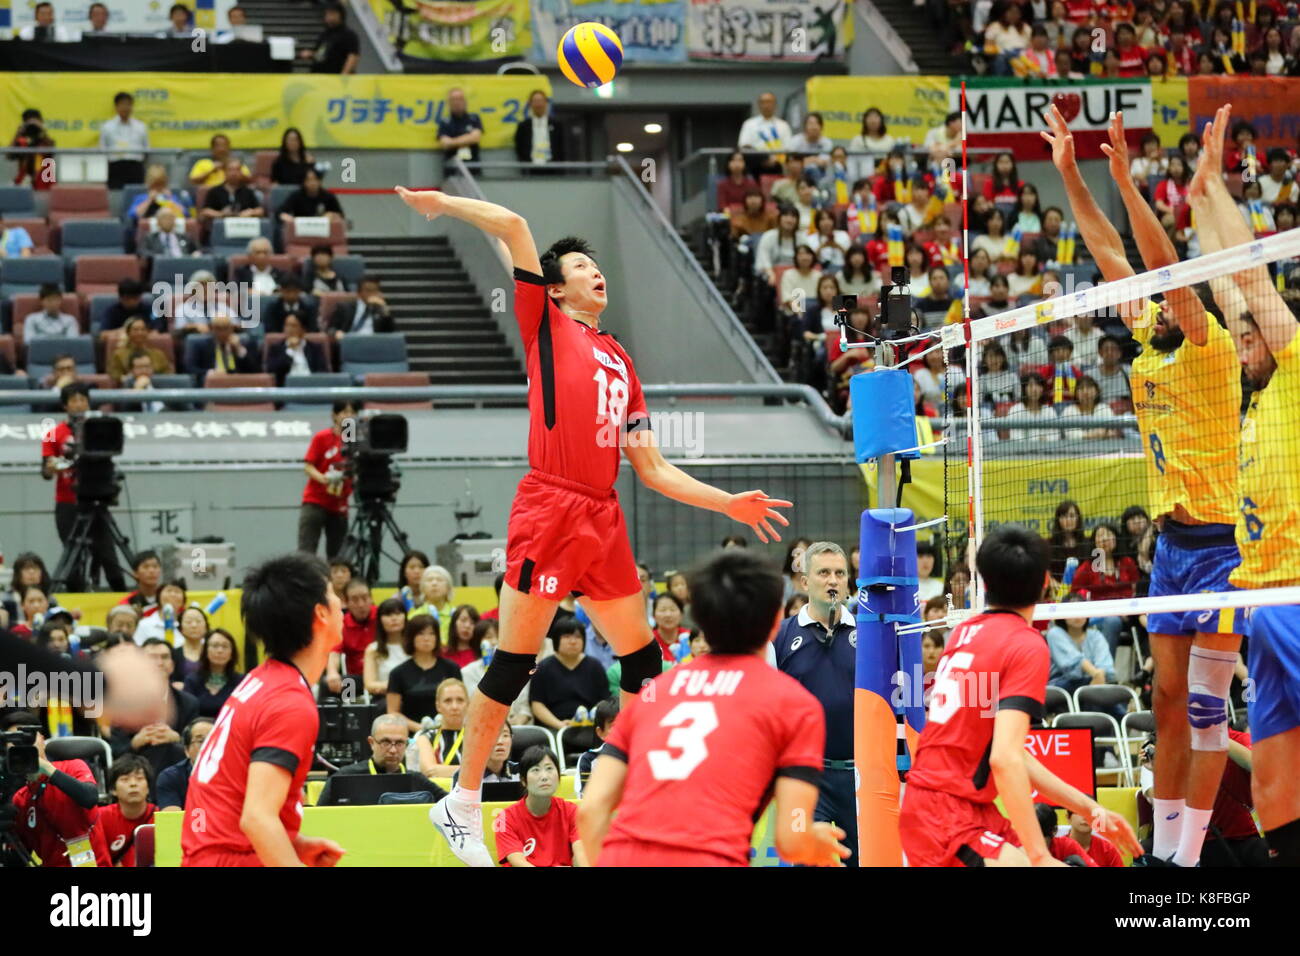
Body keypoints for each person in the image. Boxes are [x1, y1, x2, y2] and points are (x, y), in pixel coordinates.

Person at [395, 184, 792, 867]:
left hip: (602, 514)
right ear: (554, 289)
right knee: (515, 662)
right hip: (550, 506)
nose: (592, 269)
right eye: (579, 265)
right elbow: (515, 223)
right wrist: (444, 203)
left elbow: (655, 468)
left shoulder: (622, 361)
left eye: (593, 263)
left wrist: (727, 501)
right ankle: (460, 802)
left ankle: (617, 775)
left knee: (643, 663)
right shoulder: (544, 325)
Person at [1044, 105, 1247, 867]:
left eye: (1164, 296)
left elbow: (1165, 271)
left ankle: (1186, 862)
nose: (1150, 303)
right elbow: (1107, 253)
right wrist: (1070, 173)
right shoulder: (1150, 347)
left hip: (1228, 548)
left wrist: (1128, 181)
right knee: (1162, 701)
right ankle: (1159, 854)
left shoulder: (1206, 343)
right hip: (1171, 550)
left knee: (1203, 711)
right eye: (1149, 301)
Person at [578, 548, 847, 866]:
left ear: (698, 617)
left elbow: (589, 811)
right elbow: (791, 840)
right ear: (776, 620)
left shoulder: (653, 694)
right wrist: (811, 843)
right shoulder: (793, 704)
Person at [1191, 104, 1300, 867]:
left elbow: (1251, 279)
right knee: (1275, 794)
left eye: (1251, 330)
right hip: (1260, 603)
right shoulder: (1252, 383)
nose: (1242, 340)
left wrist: (1224, 189)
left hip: (1297, 593)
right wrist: (1198, 198)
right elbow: (1223, 285)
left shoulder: (1293, 370)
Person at [899, 525, 1141, 867]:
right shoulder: (1025, 644)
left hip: (957, 809)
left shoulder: (965, 632)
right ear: (1046, 582)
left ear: (984, 582)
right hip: (947, 815)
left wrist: (1091, 807)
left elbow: (1010, 754)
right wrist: (1040, 856)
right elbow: (1004, 758)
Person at [181, 553, 346, 867]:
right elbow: (256, 819)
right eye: (334, 594)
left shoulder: (260, 680)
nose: (342, 604)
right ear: (321, 613)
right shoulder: (289, 704)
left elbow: (231, 800)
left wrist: (292, 844)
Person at [773, 541, 860, 866]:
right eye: (823, 573)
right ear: (805, 582)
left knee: (864, 860)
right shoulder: (780, 637)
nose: (833, 580)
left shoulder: (868, 634)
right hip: (806, 776)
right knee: (805, 860)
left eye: (840, 573)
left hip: (860, 774)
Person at [40, 383, 128, 591]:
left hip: (97, 497)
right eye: (73, 400)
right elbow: (45, 470)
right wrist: (55, 465)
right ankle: (75, 599)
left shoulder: (99, 427)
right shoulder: (53, 432)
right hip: (67, 502)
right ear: (65, 405)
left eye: (83, 400)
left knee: (108, 553)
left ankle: (124, 597)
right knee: (73, 556)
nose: (79, 405)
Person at [2, 709, 111, 867]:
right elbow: (16, 860)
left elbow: (89, 798)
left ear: (42, 739)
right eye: (15, 740)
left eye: (27, 738)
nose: (23, 745)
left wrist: (45, 768)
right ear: (6, 748)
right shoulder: (19, 798)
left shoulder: (72, 767)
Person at [109, 637, 198, 784]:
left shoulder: (189, 703)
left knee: (170, 748)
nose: (159, 663)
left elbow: (198, 748)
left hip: (178, 770)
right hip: (135, 772)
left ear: (173, 665)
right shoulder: (123, 702)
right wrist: (135, 742)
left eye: (164, 657)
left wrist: (177, 738)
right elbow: (115, 751)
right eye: (152, 658)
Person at [317, 714, 445, 805]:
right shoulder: (344, 778)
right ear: (371, 743)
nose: (393, 750)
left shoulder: (416, 780)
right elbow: (321, 817)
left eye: (399, 743)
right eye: (385, 742)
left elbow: (450, 807)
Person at [497, 747, 586, 867]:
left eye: (549, 769)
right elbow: (518, 862)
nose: (544, 777)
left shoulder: (572, 812)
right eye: (536, 770)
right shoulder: (504, 818)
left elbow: (581, 855)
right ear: (523, 780)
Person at [529, 614, 608, 734]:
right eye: (567, 636)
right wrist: (559, 725)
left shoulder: (595, 666)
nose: (573, 641)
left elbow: (604, 701)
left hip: (590, 726)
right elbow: (537, 704)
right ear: (556, 639)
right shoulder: (543, 668)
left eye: (577, 637)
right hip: (554, 728)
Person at [298, 401, 355, 558]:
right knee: (307, 550)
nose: (348, 416)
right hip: (315, 501)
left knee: (337, 554)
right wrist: (324, 479)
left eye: (352, 412)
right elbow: (308, 467)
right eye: (344, 412)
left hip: (339, 503)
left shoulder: (353, 439)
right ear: (334, 416)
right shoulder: (322, 437)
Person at [386, 614, 462, 732]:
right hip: (412, 735)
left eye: (431, 633)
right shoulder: (398, 673)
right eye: (421, 633)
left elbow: (461, 703)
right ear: (411, 637)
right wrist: (420, 729)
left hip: (448, 731)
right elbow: (392, 712)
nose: (426, 638)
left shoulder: (451, 668)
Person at [98, 754, 157, 867]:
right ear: (113, 790)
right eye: (125, 779)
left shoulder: (161, 817)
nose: (133, 784)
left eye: (139, 779)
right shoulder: (100, 818)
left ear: (148, 787)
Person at [323, 579, 377, 697]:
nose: (361, 604)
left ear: (371, 598)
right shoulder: (342, 623)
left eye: (365, 598)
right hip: (356, 680)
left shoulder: (381, 617)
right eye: (355, 599)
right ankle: (349, 712)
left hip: (381, 677)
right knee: (330, 687)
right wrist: (332, 672)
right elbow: (334, 652)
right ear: (346, 602)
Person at [413, 678, 470, 777]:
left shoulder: (477, 737)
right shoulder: (426, 736)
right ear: (438, 706)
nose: (454, 706)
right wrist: (470, 771)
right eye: (448, 701)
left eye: (460, 700)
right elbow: (429, 771)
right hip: (437, 792)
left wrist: (441, 770)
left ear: (468, 704)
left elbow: (486, 771)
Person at [155, 717, 213, 812]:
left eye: (213, 739)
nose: (208, 745)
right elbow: (172, 823)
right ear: (186, 750)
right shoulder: (171, 777)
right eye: (201, 741)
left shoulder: (235, 774)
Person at [182, 629, 242, 718]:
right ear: (206, 651)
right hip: (198, 729)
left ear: (232, 653)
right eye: (215, 646)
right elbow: (186, 715)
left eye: (225, 646)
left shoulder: (242, 682)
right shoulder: (192, 680)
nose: (220, 651)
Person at [361, 596, 410, 698]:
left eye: (398, 613)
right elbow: (369, 685)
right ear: (380, 620)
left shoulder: (414, 646)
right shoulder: (373, 649)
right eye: (388, 614)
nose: (394, 618)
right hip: (384, 698)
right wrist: (397, 686)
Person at [99, 92, 148, 190]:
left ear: (132, 106)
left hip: (135, 167)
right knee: (115, 197)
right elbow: (102, 150)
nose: (125, 107)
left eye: (128, 104)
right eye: (122, 104)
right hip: (115, 167)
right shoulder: (107, 127)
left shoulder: (141, 127)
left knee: (135, 195)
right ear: (116, 107)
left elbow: (146, 150)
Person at [736, 91, 793, 176]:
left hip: (779, 165)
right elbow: (744, 146)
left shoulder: (783, 125)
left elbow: (788, 148)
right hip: (756, 165)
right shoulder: (749, 124)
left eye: (769, 102)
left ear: (775, 105)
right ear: (758, 105)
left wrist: (775, 160)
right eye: (763, 102)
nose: (766, 105)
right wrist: (765, 159)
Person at [574, 698, 618, 797]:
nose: (621, 730)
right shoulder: (588, 760)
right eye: (614, 726)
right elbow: (584, 799)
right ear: (600, 732)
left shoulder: (640, 756)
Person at [302, 1, 359, 74]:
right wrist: (311, 54)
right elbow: (320, 54)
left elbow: (353, 56)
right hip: (319, 77)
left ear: (340, 15)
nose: (329, 17)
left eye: (332, 14)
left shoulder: (349, 35)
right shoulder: (325, 34)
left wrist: (343, 76)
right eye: (327, 14)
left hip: (335, 78)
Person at [326, 275, 393, 337]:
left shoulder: (380, 310)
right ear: (359, 293)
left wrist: (385, 310)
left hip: (373, 343)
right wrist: (337, 333)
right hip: (351, 342)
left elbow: (391, 334)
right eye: (368, 290)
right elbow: (330, 329)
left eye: (375, 290)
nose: (372, 294)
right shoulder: (344, 307)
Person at [514, 89, 566, 168]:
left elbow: (562, 147)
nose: (538, 105)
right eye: (535, 101)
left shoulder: (557, 125)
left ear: (546, 103)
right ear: (530, 104)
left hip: (553, 168)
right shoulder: (523, 126)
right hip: (530, 169)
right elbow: (519, 147)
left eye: (541, 101)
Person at [200, 159, 264, 221]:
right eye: (230, 170)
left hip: (243, 225)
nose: (234, 173)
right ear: (224, 172)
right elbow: (205, 211)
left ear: (241, 172)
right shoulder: (215, 191)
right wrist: (221, 214)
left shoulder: (248, 191)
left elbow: (260, 211)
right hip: (221, 225)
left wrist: (251, 212)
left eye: (237, 170)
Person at [8, 108, 55, 189]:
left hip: (44, 183)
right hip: (24, 183)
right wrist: (18, 133)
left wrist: (42, 130)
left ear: (41, 121)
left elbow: (50, 152)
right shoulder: (22, 141)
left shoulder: (45, 141)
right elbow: (10, 155)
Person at [277, 166, 343, 223]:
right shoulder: (296, 196)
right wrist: (288, 218)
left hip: (323, 231)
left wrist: (332, 215)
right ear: (304, 182)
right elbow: (280, 213)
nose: (312, 183)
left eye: (315, 179)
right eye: (308, 180)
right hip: (301, 231)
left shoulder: (328, 196)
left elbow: (341, 216)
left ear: (320, 181)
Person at [437, 87, 483, 165]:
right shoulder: (445, 122)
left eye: (460, 99)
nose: (457, 103)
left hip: (473, 167)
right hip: (452, 168)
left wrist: (453, 141)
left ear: (465, 101)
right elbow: (445, 143)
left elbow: (476, 138)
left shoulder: (474, 118)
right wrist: (467, 138)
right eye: (454, 99)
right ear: (449, 103)